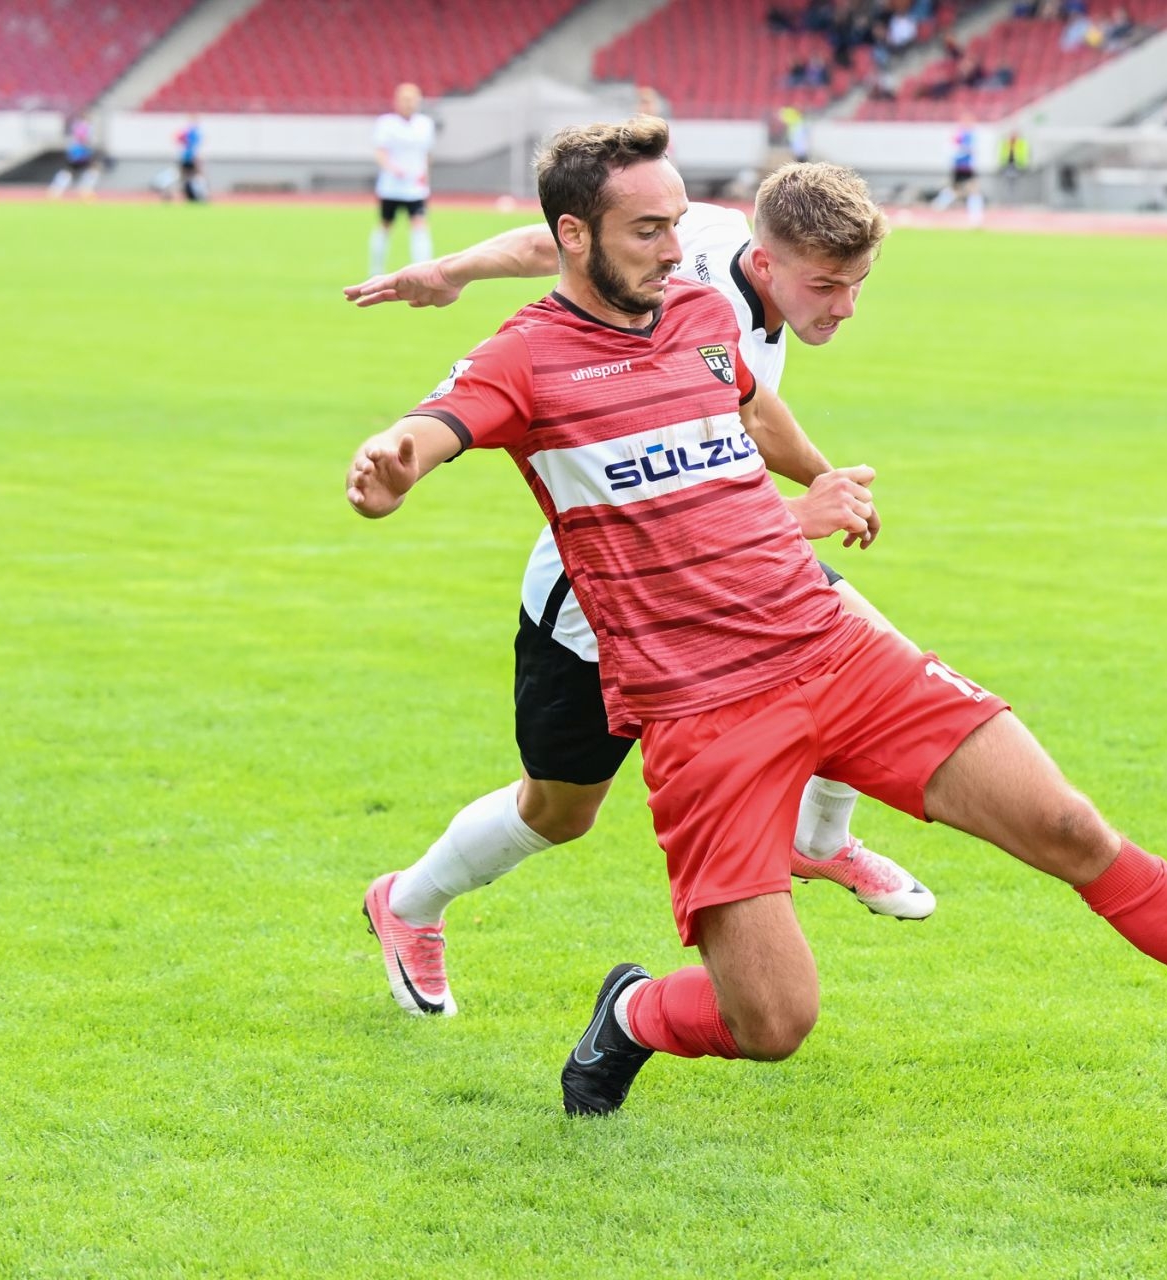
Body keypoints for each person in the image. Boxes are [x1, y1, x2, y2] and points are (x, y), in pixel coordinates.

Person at [343, 116, 1167, 1116]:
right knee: (773, 1019)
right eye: (649, 229)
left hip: (834, 645)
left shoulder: (711, 311)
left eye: (679, 222)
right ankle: (629, 1010)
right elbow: (445, 420)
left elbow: (744, 409)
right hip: (703, 713)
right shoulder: (526, 361)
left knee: (1066, 825)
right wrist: (398, 457)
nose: (677, 247)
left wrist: (817, 481)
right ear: (574, 235)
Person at [342, 160, 938, 1016]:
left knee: (877, 665)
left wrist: (823, 479)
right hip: (604, 601)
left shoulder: (707, 236)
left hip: (733, 575)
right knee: (557, 811)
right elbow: (568, 254)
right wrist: (802, 510)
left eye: (855, 284)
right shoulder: (682, 308)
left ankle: (820, 836)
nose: (843, 305)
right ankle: (407, 904)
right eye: (827, 286)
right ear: (769, 267)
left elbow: (750, 407)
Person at [370, 82, 436, 276]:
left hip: (415, 188)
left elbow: (427, 153)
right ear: (396, 101)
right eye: (406, 99)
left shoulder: (425, 124)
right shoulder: (386, 123)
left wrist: (425, 175)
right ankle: (376, 270)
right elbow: (380, 152)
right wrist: (392, 169)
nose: (410, 103)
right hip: (391, 187)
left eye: (414, 99)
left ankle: (423, 271)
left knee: (420, 224)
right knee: (385, 224)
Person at [930, 116, 985, 225]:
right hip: (964, 167)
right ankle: (975, 217)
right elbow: (956, 149)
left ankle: (938, 205)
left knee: (957, 190)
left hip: (962, 167)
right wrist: (966, 151)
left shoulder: (962, 135)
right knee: (972, 191)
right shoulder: (962, 135)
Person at [47, 117, 99, 200]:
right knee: (67, 173)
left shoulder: (82, 135)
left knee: (91, 172)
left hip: (80, 156)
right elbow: (80, 140)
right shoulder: (78, 139)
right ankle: (57, 191)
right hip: (77, 157)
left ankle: (85, 190)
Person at [171, 117, 207, 203]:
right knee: (196, 177)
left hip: (185, 158)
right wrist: (196, 158)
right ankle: (197, 196)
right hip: (190, 158)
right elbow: (194, 147)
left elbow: (178, 139)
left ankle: (188, 196)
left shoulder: (186, 132)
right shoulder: (193, 132)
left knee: (185, 178)